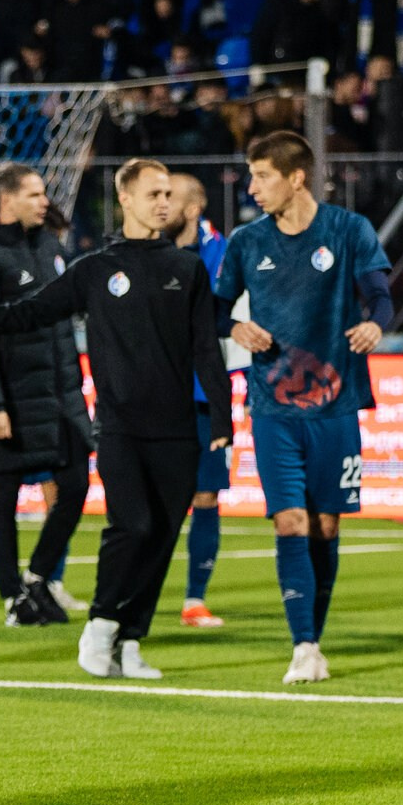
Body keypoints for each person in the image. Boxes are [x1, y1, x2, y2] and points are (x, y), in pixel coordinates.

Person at [0, 159, 231, 678]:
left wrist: (223, 419)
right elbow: (32, 310)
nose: (165, 203)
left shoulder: (188, 268)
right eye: (154, 194)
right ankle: (100, 624)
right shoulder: (97, 268)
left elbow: (207, 348)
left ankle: (131, 639)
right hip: (119, 427)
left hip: (180, 429)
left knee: (161, 536)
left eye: (169, 194)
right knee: (131, 525)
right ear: (127, 201)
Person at [211, 131, 393, 685]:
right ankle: (303, 644)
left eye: (262, 175)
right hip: (271, 404)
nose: (252, 187)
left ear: (296, 177)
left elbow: (379, 294)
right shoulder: (247, 241)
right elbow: (217, 311)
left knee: (326, 525)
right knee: (289, 520)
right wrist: (235, 324)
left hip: (336, 404)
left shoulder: (347, 230)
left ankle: (315, 635)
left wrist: (374, 324)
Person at [0, 163, 89, 627]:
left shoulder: (51, 246)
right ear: (7, 201)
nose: (43, 201)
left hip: (61, 395)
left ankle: (37, 578)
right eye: (33, 194)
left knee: (75, 487)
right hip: (11, 397)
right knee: (4, 494)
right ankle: (13, 598)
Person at [170, 171, 234, 630]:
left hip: (203, 395)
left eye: (169, 196)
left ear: (193, 208)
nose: (161, 204)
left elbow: (237, 320)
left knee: (206, 496)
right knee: (157, 500)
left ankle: (195, 599)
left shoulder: (223, 253)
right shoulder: (146, 251)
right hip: (155, 393)